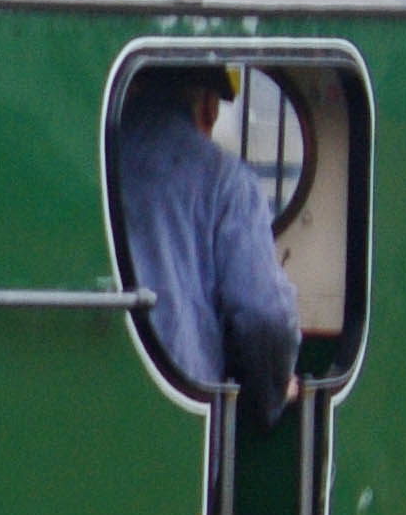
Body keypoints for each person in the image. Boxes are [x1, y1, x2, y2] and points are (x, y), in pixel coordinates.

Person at [109, 62, 299, 418]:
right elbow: (264, 317)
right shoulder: (226, 181)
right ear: (210, 108)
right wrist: (271, 392)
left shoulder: (91, 162)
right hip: (180, 406)